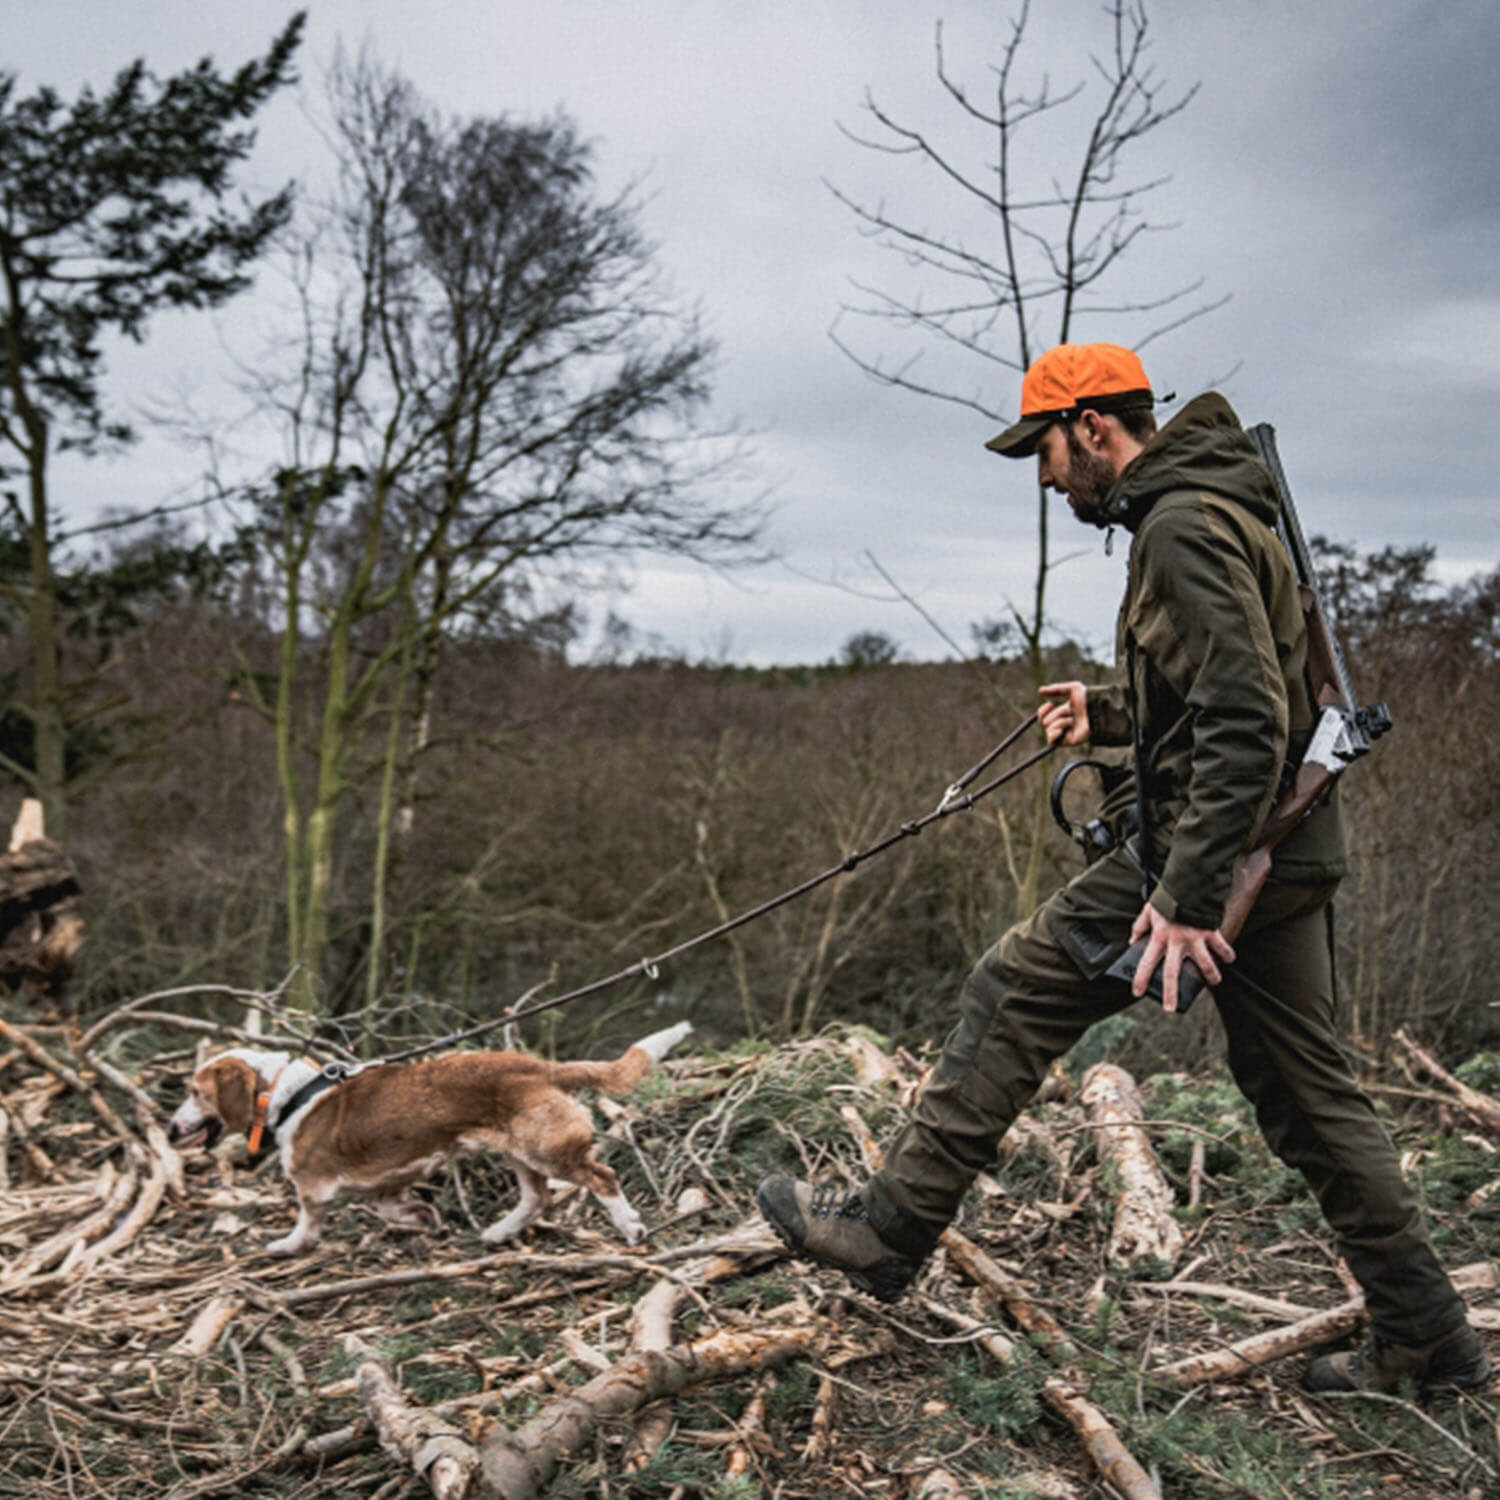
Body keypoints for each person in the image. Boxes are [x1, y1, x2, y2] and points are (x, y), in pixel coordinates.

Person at [757, 343, 1490, 1395]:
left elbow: (1247, 715)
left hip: (1215, 853)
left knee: (1013, 987)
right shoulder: (1210, 510)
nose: (1048, 480)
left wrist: (1187, 899)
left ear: (1094, 428)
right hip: (1278, 851)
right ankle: (1430, 1342)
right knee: (1311, 1100)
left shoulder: (1181, 525)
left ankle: (887, 1232)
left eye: (1046, 454)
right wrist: (1105, 713)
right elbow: (1229, 689)